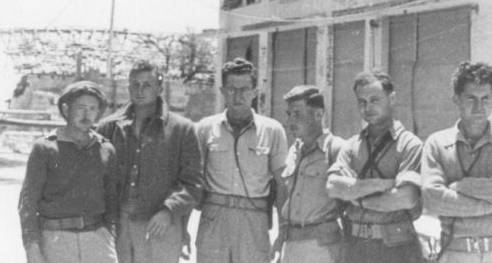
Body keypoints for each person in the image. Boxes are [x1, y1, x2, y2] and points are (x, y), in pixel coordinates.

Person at [421, 62, 492, 263]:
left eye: (485, 98)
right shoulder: (437, 143)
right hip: (455, 253)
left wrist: (462, 186)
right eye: (471, 98)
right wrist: (491, 205)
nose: (479, 107)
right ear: (456, 99)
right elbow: (432, 199)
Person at [96, 60, 202, 263]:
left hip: (160, 224)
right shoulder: (108, 128)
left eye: (147, 85)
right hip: (117, 225)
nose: (140, 90)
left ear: (160, 88)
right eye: (135, 84)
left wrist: (169, 210)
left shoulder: (182, 129)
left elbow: (193, 183)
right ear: (128, 87)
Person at [194, 58, 288, 263]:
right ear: (222, 91)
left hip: (253, 217)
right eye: (231, 89)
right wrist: (184, 229)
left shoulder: (272, 130)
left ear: (255, 92)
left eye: (244, 89)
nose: (238, 96)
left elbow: (282, 185)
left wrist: (283, 233)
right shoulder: (204, 128)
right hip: (214, 216)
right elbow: (192, 181)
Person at [326, 71, 423, 263]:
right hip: (355, 247)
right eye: (362, 102)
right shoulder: (352, 146)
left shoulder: (410, 144)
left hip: (396, 248)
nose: (367, 107)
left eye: (374, 100)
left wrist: (357, 197)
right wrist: (382, 185)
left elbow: (405, 198)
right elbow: (333, 186)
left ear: (392, 98)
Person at [18, 81, 118, 263]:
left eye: (93, 109)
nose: (87, 114)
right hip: (56, 241)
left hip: (97, 241)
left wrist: (109, 234)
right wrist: (31, 247)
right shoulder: (45, 148)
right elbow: (28, 202)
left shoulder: (106, 149)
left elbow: (113, 199)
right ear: (66, 109)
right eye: (80, 108)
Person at [273, 85, 345, 263]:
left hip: (322, 247)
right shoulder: (294, 151)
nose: (290, 121)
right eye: (289, 114)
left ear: (319, 114)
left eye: (297, 114)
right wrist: (280, 237)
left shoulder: (336, 149)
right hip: (291, 245)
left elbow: (348, 207)